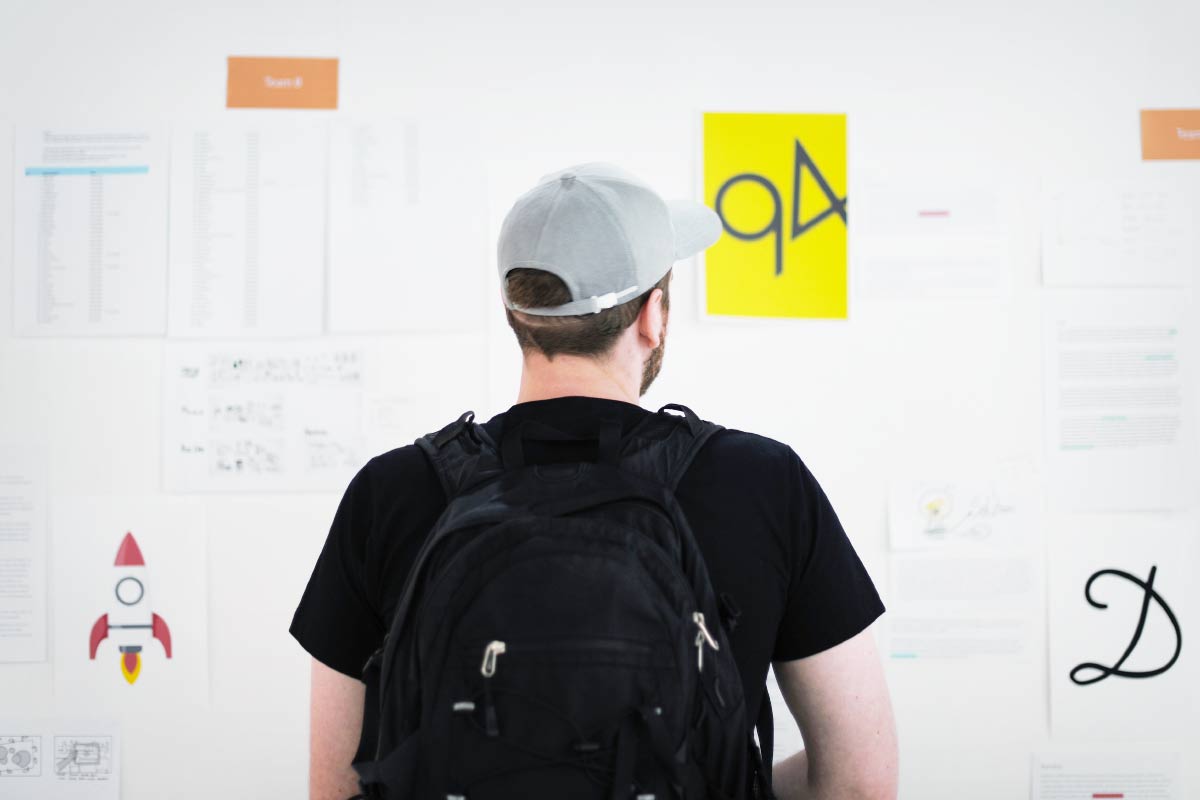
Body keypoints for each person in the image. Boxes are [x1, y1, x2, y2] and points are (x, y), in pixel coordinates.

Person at [291, 163, 899, 800]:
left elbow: (337, 789)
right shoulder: (763, 484)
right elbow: (860, 783)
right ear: (653, 317)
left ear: (515, 314)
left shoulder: (389, 492)